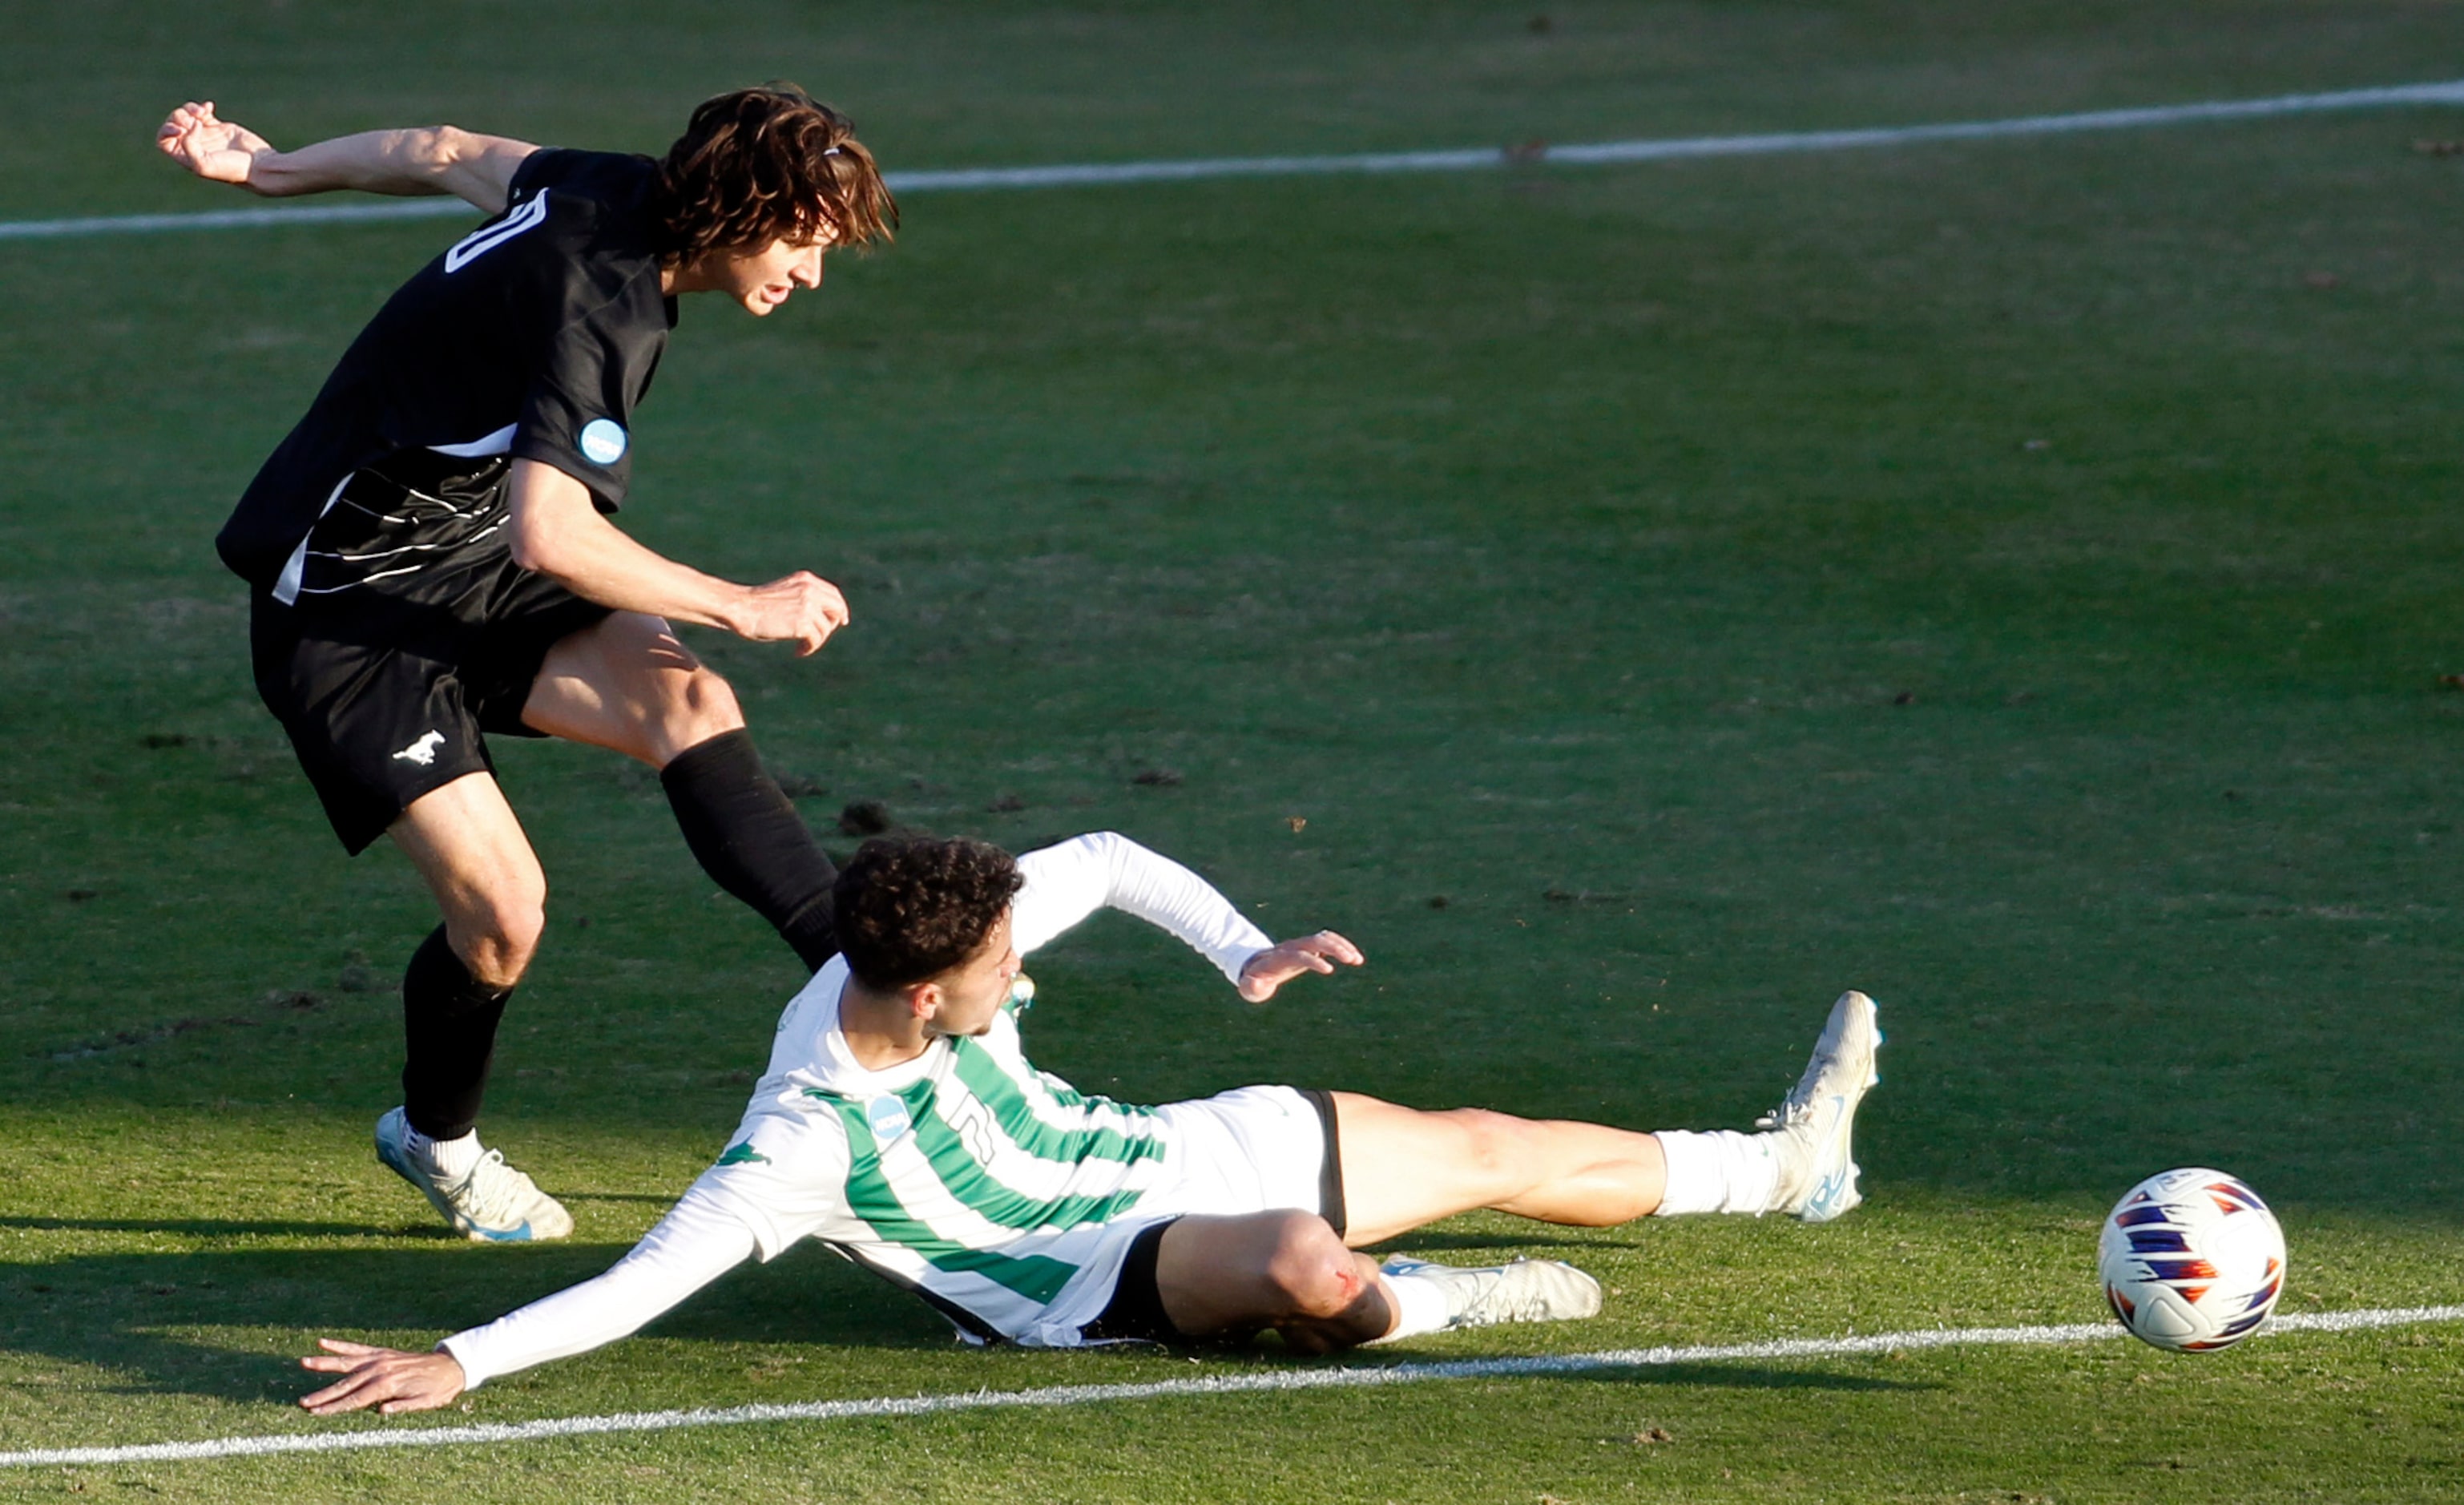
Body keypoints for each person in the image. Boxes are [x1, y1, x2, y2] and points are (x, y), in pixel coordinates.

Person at [293, 831, 1883, 1413]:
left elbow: (1109, 856)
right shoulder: (801, 1142)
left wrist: (1242, 950)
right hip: (1079, 1286)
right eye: (996, 968)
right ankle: (1441, 1303)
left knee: (1491, 1145)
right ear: (921, 997)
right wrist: (460, 1362)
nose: (1015, 969)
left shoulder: (934, 938)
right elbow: (639, 1283)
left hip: (1171, 1150)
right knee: (1306, 1265)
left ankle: (1786, 1172)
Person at [155, 87, 897, 1241]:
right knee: (505, 915)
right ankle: (433, 1139)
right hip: (355, 615)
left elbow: (441, 148)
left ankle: (871, 974)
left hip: (466, 564)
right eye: (802, 239)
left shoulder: (610, 185)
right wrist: (740, 602)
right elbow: (552, 534)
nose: (810, 273)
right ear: (741, 210)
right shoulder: (604, 310)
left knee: (682, 696)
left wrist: (265, 169)